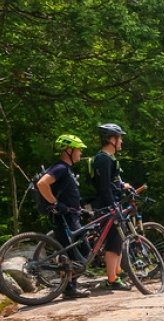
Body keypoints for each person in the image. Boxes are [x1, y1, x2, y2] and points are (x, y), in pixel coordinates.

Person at [36, 134, 91, 299]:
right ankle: (69, 287)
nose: (80, 153)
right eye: (78, 149)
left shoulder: (67, 169)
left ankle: (70, 286)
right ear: (69, 150)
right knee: (80, 251)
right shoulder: (60, 167)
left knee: (72, 252)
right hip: (63, 218)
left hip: (70, 216)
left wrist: (80, 210)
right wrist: (55, 203)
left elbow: (68, 194)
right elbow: (42, 184)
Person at [92, 122, 133, 291]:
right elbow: (104, 187)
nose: (121, 142)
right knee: (113, 242)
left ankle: (117, 271)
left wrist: (122, 186)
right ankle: (111, 279)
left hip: (111, 203)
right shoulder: (104, 159)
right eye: (120, 138)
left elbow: (111, 182)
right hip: (108, 205)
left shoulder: (107, 159)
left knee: (118, 239)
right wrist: (112, 206)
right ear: (111, 139)